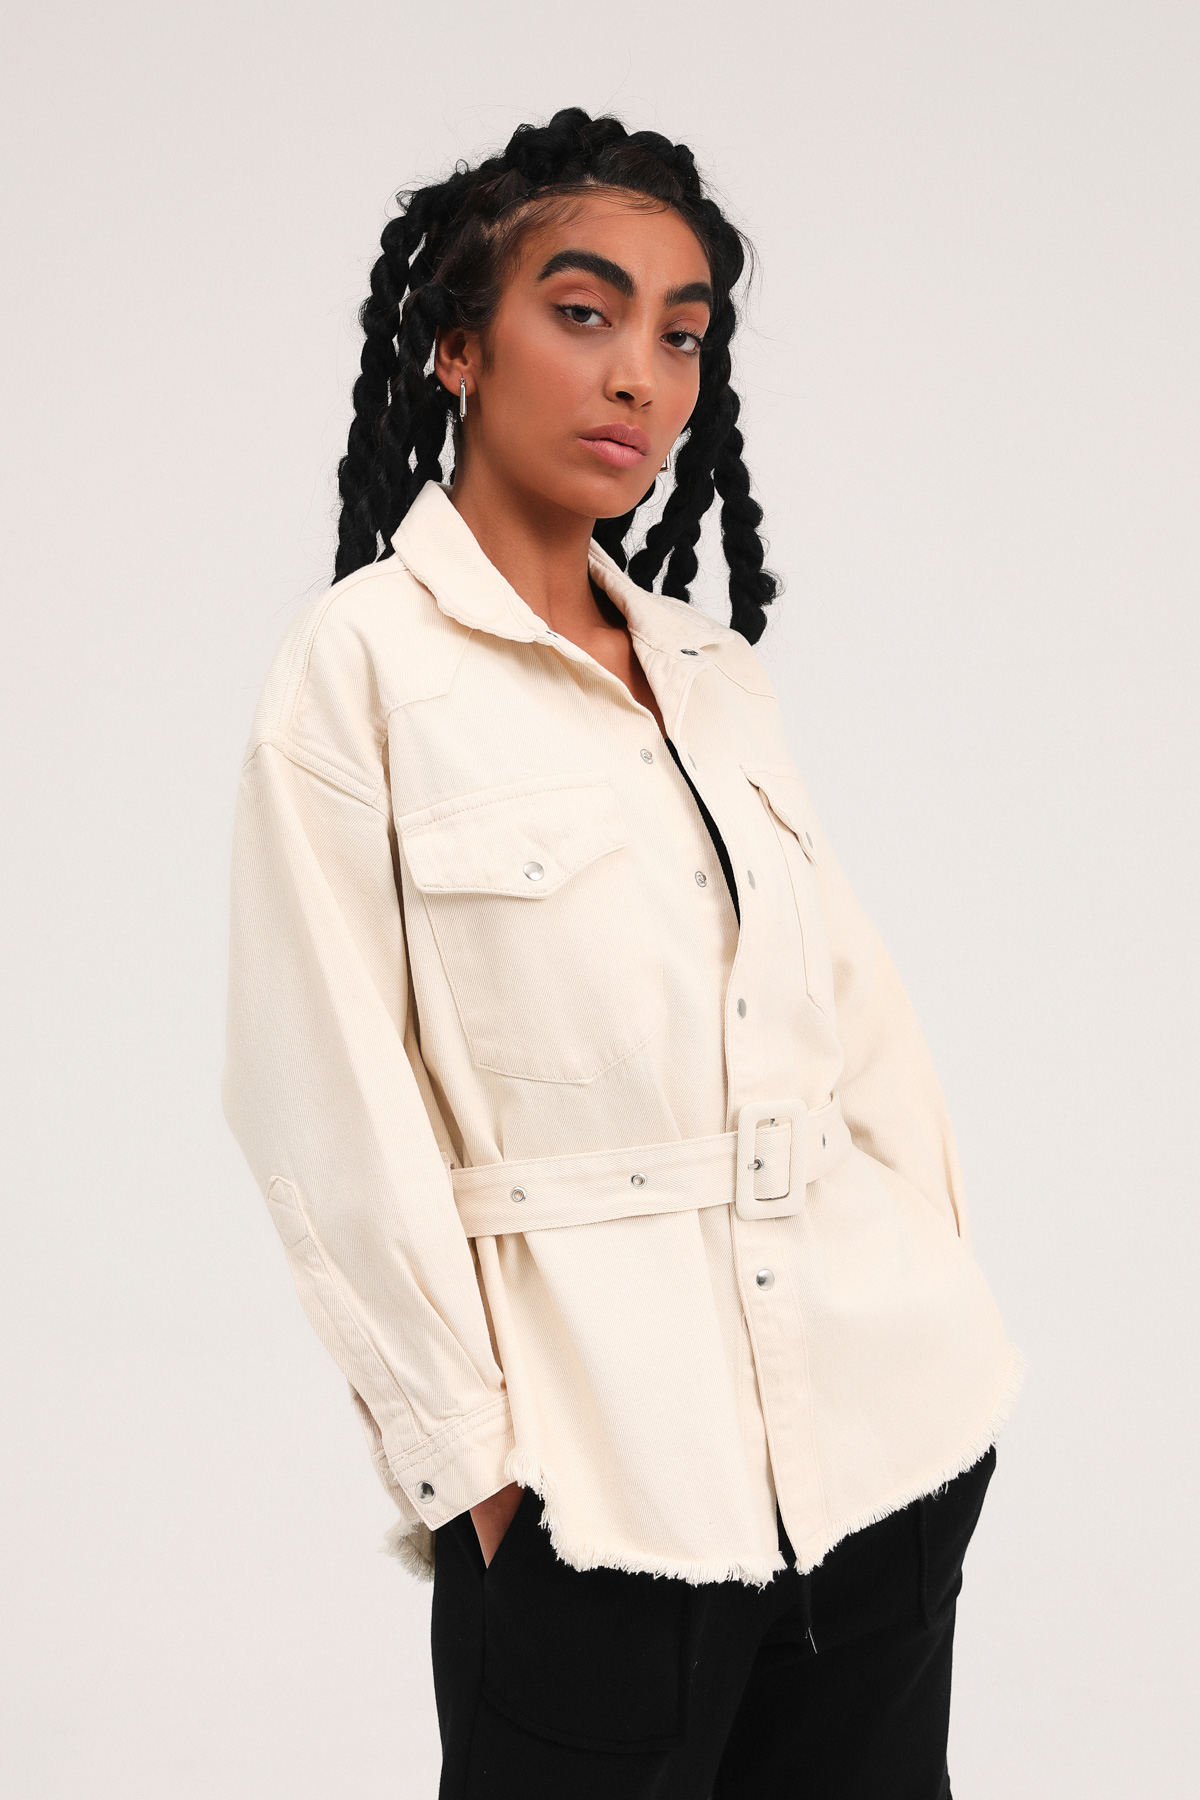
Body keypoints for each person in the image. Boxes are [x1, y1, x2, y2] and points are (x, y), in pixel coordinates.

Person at [222, 107, 1023, 1799]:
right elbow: (322, 1101)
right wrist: (476, 1473)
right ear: (457, 345)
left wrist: (933, 1286)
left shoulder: (712, 672)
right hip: (601, 1495)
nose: (639, 376)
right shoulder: (361, 671)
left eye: (681, 334)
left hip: (878, 1444)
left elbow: (856, 1021)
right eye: (584, 313)